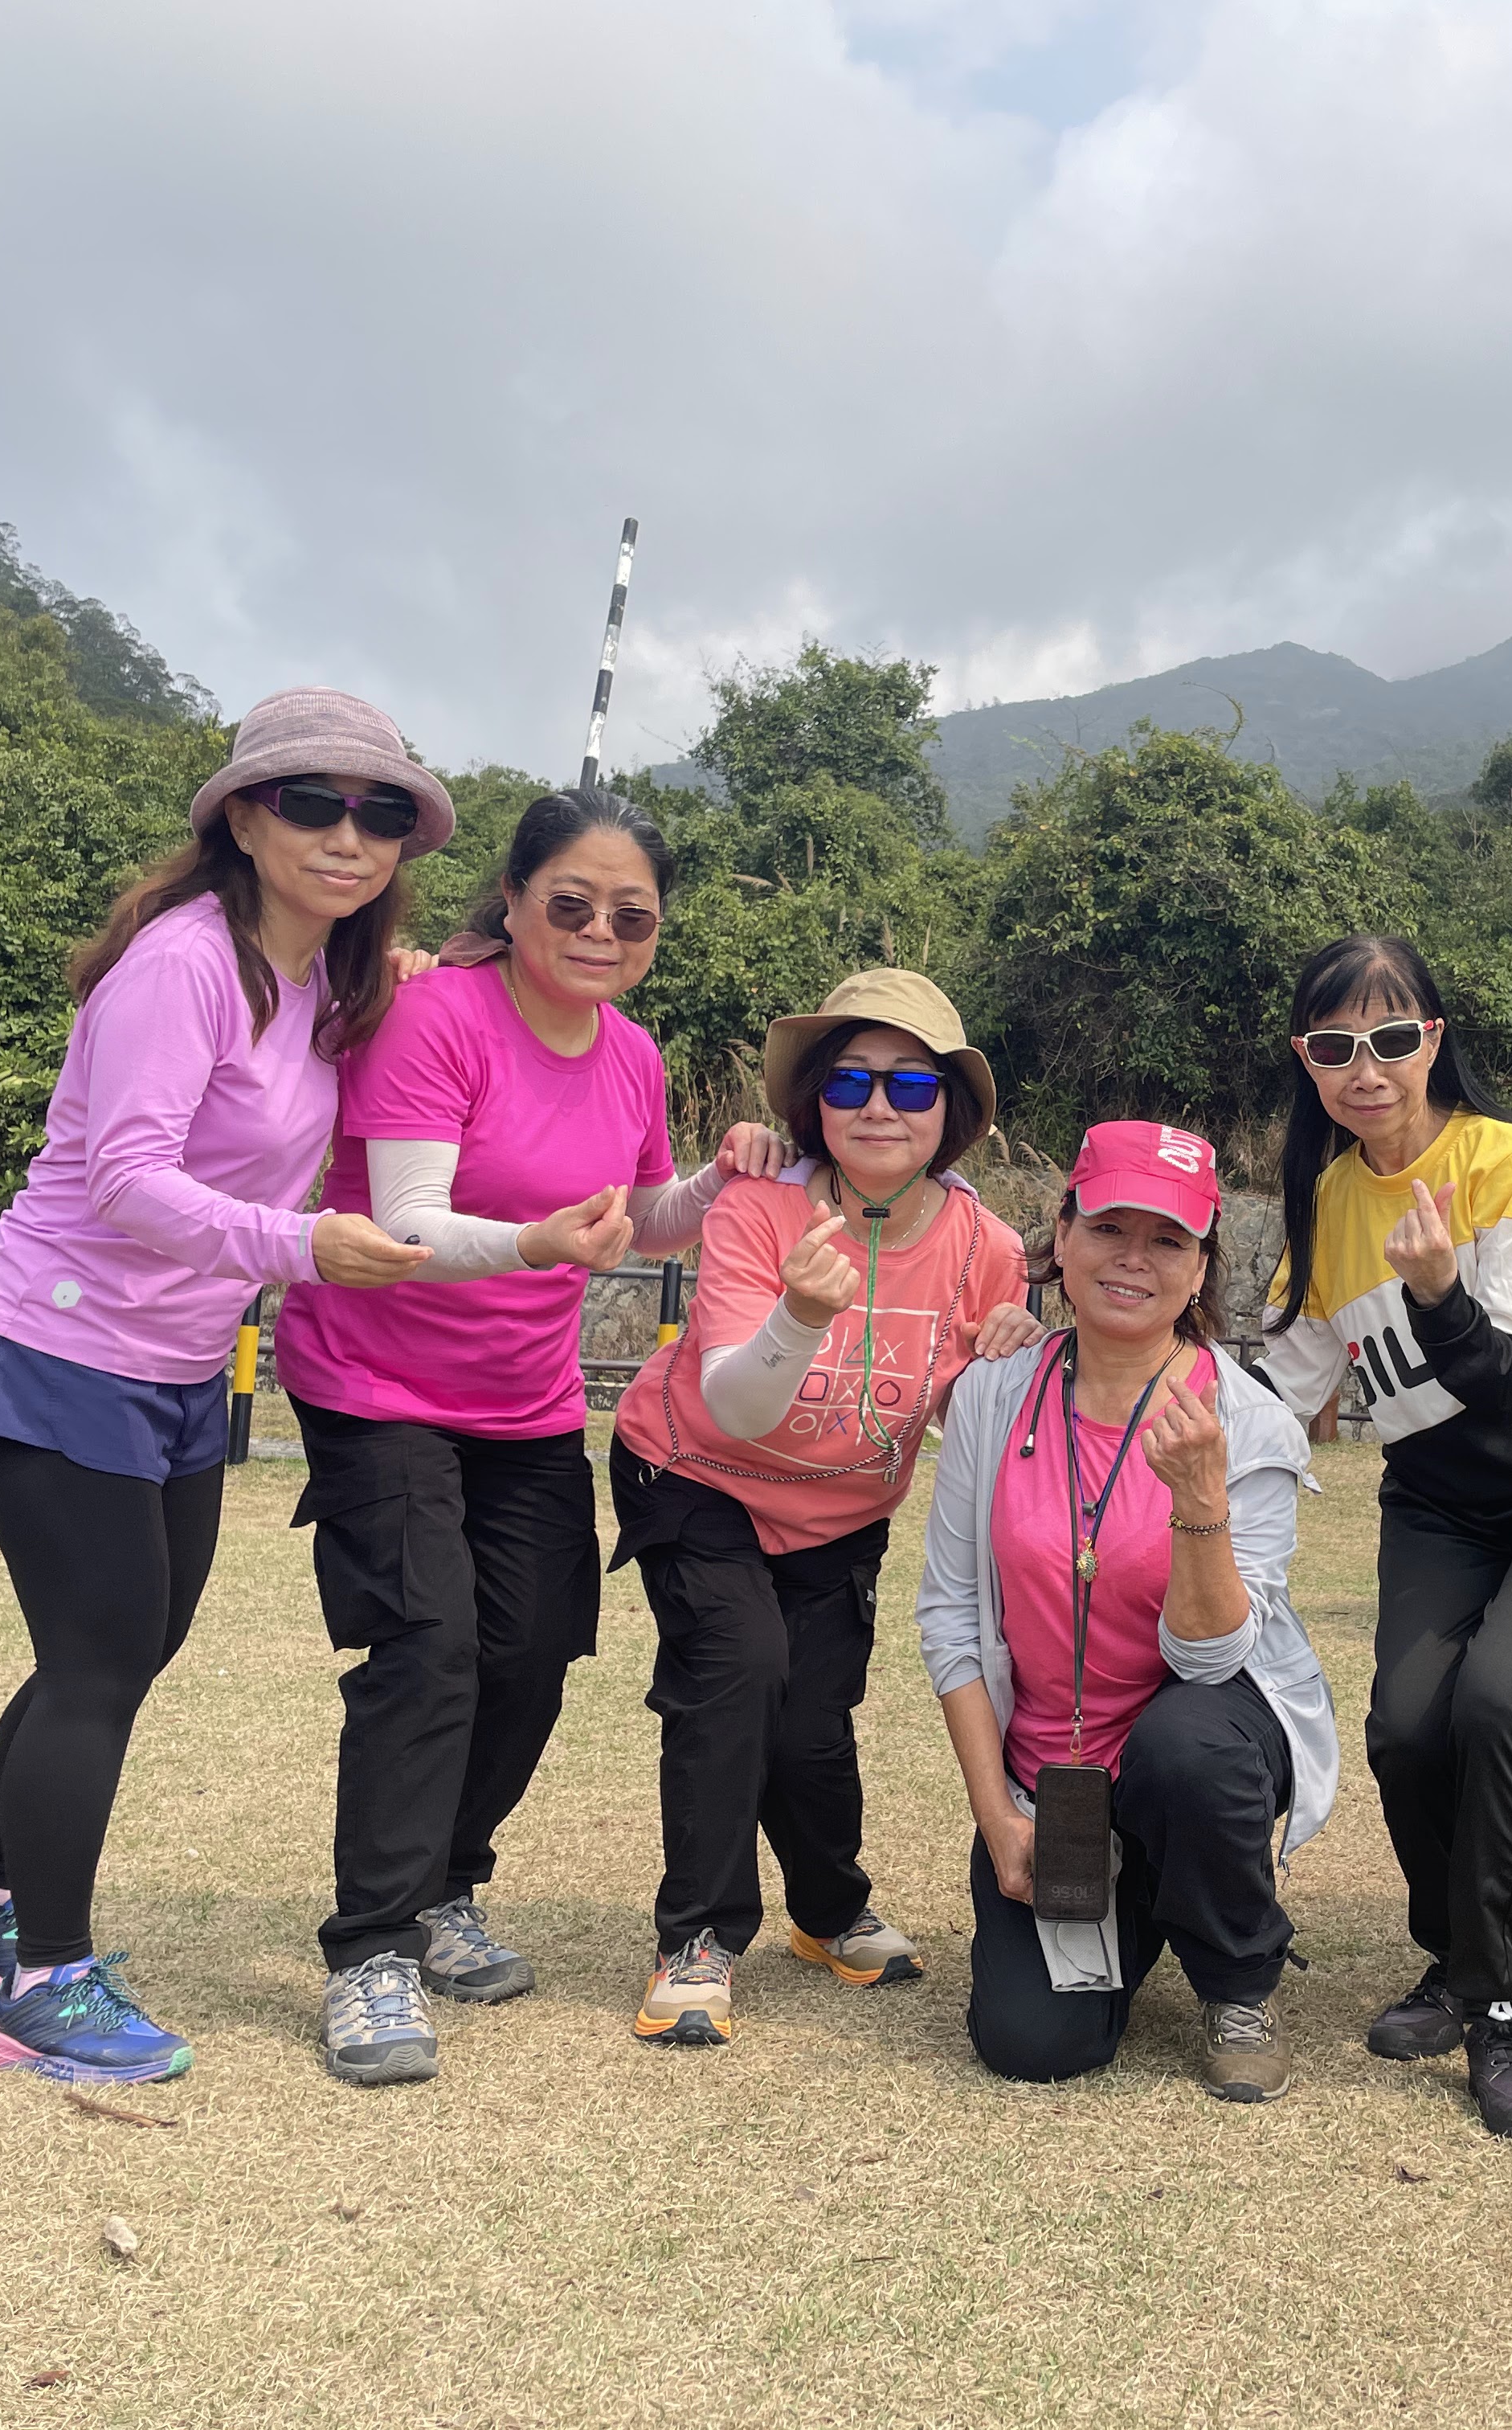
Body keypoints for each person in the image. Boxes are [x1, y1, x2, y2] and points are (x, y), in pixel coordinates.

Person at [0, 687, 446, 2084]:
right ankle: (45, 1985)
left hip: (177, 1363)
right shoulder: (183, 964)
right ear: (242, 819)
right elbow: (127, 1180)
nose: (348, 834)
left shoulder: (323, 979)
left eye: (379, 812)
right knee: (100, 1657)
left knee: (131, 1642)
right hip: (56, 1347)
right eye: (311, 802)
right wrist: (303, 1246)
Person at [271, 787, 790, 2085]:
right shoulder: (435, 1014)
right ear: (511, 902)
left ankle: (447, 1882)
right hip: (377, 1383)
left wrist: (719, 1179)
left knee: (534, 1649)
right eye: (571, 903)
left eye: (632, 915)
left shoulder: (632, 1054)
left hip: (526, 1398)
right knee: (429, 1645)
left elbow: (642, 1217)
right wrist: (537, 1243)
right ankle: (372, 1948)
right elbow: (404, 1222)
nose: (600, 931)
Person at [1261, 935, 1512, 2142]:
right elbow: (1282, 1387)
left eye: (1392, 1038)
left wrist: (1440, 1293)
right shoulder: (1328, 1198)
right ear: (1306, 1060)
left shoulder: (1505, 1162)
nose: (1366, 1068)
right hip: (1438, 1502)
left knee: (1498, 1704)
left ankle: (1502, 2011)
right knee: (1405, 1725)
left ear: (1433, 1039)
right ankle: (1455, 1955)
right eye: (1334, 1046)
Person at [607, 970, 1036, 2048]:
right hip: (696, 1474)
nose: (879, 1106)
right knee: (738, 1672)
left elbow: (957, 1414)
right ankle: (698, 1938)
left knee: (811, 1722)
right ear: (815, 1103)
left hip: (843, 1511)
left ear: (952, 1109)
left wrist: (1010, 1357)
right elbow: (736, 1405)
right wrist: (801, 1312)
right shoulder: (759, 1207)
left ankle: (828, 1909)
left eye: (911, 1085)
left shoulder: (986, 1249)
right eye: (850, 1082)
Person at [916, 1123, 1335, 2101]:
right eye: (1108, 1228)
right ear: (1060, 1239)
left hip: (1193, 1752)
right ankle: (1140, 1900)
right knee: (1034, 2044)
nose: (1132, 1259)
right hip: (1052, 1791)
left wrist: (1200, 1504)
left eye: (1168, 1240)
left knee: (1186, 1746)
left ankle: (1238, 1979)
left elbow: (1212, 1657)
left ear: (1201, 1270)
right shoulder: (993, 1395)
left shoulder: (1248, 1424)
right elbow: (950, 1619)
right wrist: (998, 1817)